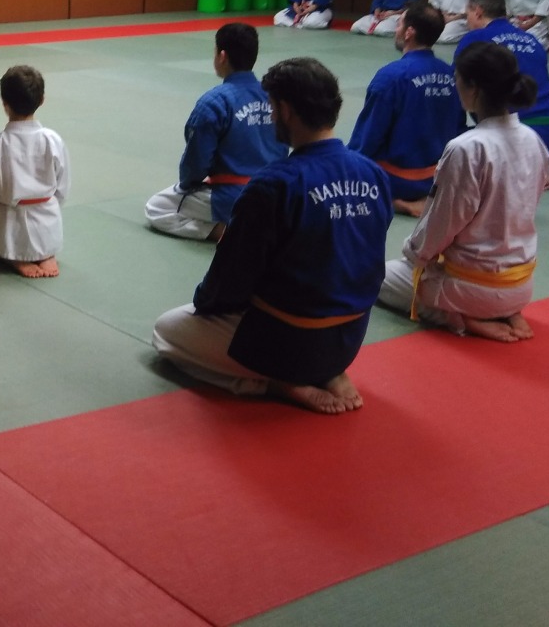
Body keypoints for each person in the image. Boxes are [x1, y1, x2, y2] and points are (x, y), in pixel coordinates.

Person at [152, 57, 390, 415]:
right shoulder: (374, 174)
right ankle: (329, 372)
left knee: (166, 331)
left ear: (285, 109)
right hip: (349, 338)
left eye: (271, 107)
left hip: (288, 342)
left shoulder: (274, 184)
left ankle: (275, 384)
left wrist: (205, 306)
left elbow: (229, 279)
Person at [376, 42, 549, 341]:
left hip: (472, 289)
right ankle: (504, 310)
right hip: (521, 286)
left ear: (474, 89)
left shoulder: (467, 148)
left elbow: (442, 223)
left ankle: (458, 318)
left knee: (374, 276)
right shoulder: (533, 139)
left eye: (458, 78)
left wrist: (415, 256)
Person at [146, 23, 287, 241]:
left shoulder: (214, 102)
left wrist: (187, 185)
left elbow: (196, 163)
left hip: (232, 195)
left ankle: (223, 231)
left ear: (222, 56)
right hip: (276, 193)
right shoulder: (274, 96)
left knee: (156, 208)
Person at [346, 2, 465, 217]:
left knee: (338, 164)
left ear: (409, 33)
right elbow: (458, 129)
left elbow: (368, 139)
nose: (396, 30)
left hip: (397, 180)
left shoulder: (391, 76)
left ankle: (398, 202)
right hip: (439, 178)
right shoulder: (451, 75)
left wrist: (346, 165)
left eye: (399, 24)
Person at [0, 65, 71, 278]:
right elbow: (62, 189)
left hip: (8, 233)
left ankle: (12, 256)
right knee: (44, 209)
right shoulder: (54, 140)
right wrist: (46, 206)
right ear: (42, 100)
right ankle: (45, 253)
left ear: (4, 103)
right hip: (48, 225)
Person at [453, 0, 549, 158]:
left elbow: (457, 88)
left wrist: (456, 131)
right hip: (548, 135)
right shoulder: (532, 40)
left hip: (506, 136)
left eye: (468, 15)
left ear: (478, 12)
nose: (467, 21)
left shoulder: (476, 38)